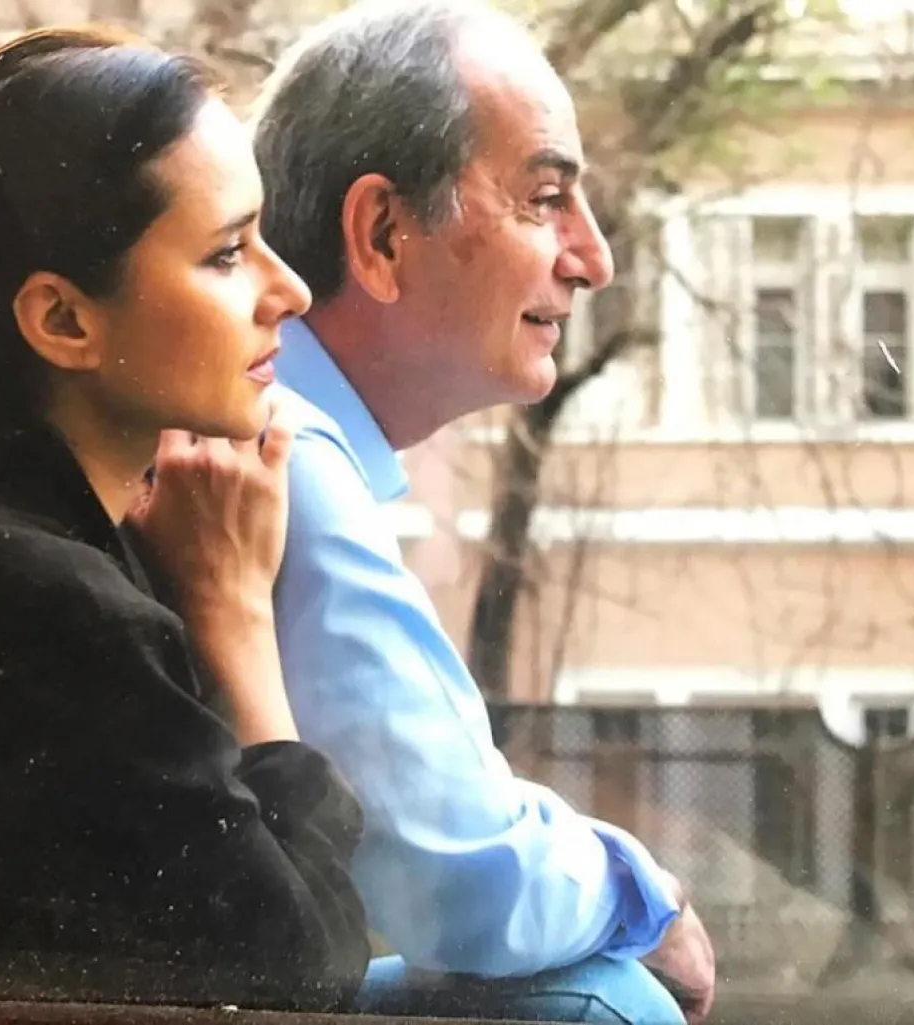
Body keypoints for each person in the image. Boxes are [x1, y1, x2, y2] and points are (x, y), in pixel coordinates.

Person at [0, 26, 370, 1011]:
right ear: (62, 320)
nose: (291, 291)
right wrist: (236, 615)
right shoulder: (25, 592)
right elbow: (303, 973)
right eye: (228, 254)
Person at [247, 2, 717, 1023]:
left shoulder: (273, 433)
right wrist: (649, 898)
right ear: (383, 234)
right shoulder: (276, 450)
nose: (592, 258)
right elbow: (464, 877)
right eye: (546, 199)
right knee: (602, 1000)